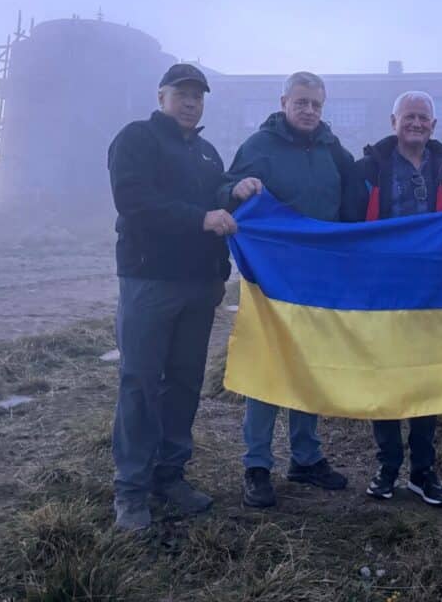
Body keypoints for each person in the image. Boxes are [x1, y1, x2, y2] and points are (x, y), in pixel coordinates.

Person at [221, 70, 362, 508]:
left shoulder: (334, 151)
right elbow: (225, 191)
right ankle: (257, 465)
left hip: (319, 281)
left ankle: (305, 457)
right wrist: (236, 188)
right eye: (301, 102)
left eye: (316, 104)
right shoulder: (258, 147)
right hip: (271, 280)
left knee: (308, 366)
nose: (309, 111)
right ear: (284, 102)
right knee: (267, 369)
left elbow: (355, 204)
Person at [107, 63, 236, 531]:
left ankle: (170, 474)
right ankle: (132, 491)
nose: (190, 102)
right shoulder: (137, 139)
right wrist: (199, 218)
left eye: (198, 96)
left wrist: (220, 269)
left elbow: (221, 206)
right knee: (140, 382)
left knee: (183, 383)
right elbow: (134, 201)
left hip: (199, 287)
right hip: (149, 282)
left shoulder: (207, 154)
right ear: (162, 95)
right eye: (182, 93)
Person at [355, 90, 442, 507]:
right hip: (381, 290)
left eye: (424, 117)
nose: (417, 123)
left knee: (426, 378)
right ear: (393, 121)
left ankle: (423, 471)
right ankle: (387, 466)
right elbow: (346, 224)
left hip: (432, 292)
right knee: (383, 377)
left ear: (434, 126)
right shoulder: (368, 167)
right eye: (409, 116)